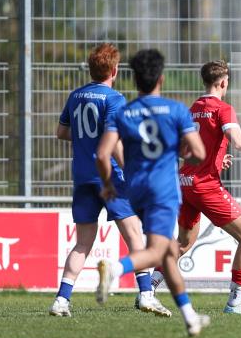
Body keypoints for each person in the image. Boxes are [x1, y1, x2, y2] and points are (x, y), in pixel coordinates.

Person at [151, 60, 241, 315]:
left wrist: (217, 159)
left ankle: (148, 290)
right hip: (205, 186)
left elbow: (185, 148)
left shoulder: (192, 109)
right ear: (223, 83)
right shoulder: (223, 108)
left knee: (183, 243)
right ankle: (235, 301)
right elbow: (238, 141)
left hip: (185, 182)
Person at [95, 49, 210, 337]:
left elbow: (102, 154)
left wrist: (108, 184)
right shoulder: (175, 110)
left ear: (134, 80)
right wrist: (181, 151)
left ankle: (190, 317)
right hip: (163, 191)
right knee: (158, 250)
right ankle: (115, 268)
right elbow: (199, 153)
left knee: (169, 252)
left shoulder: (124, 113)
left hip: (135, 190)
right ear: (161, 78)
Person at [50, 43, 170, 318]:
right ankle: (146, 296)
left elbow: (61, 132)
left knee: (82, 243)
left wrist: (84, 139)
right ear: (114, 70)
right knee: (134, 237)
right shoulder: (114, 99)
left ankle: (61, 300)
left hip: (83, 177)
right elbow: (114, 143)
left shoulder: (76, 95)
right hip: (111, 177)